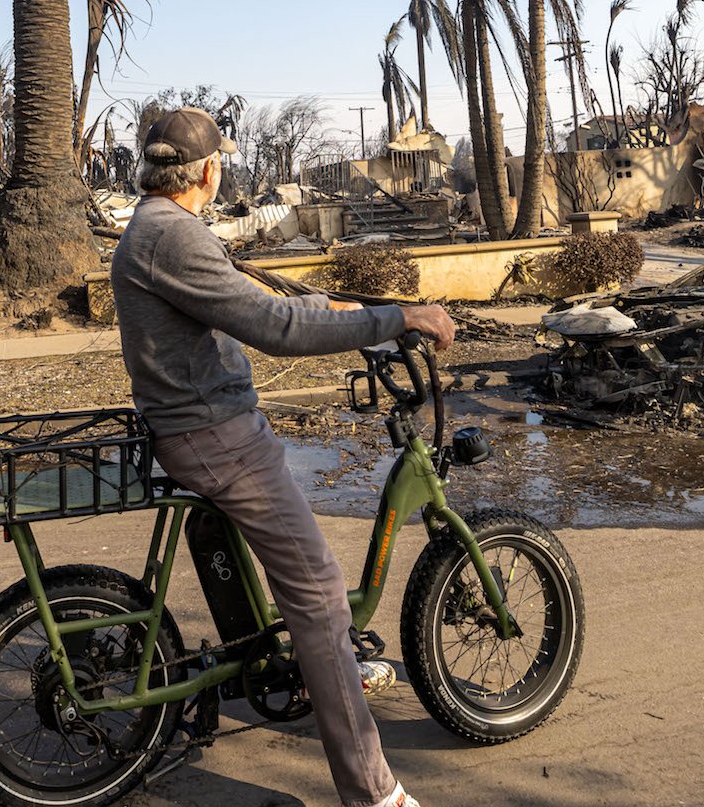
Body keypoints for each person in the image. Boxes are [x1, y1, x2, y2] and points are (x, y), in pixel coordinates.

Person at [109, 107, 454, 807]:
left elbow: (257, 300)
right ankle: (373, 792)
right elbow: (276, 329)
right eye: (221, 165)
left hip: (200, 428)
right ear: (208, 171)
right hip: (217, 439)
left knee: (300, 593)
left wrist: (346, 307)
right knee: (321, 597)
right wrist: (399, 318)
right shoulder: (172, 235)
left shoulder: (160, 228)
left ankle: (306, 671)